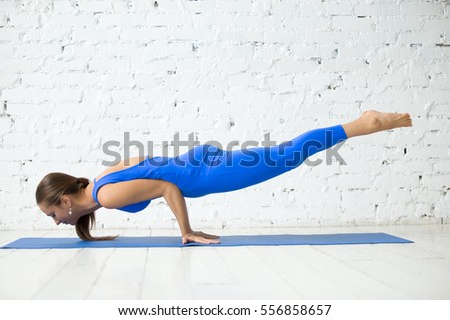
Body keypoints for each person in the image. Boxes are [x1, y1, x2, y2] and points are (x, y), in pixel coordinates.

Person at [36, 110, 412, 245]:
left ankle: (365, 123)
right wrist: (186, 162)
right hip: (200, 164)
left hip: (209, 173)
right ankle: (362, 123)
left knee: (290, 155)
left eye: (53, 214)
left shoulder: (107, 197)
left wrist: (186, 230)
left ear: (65, 201)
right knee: (288, 156)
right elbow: (143, 160)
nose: (57, 221)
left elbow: (166, 186)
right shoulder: (100, 180)